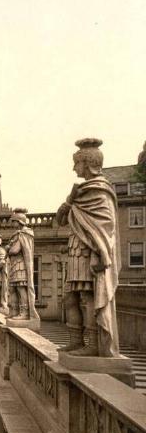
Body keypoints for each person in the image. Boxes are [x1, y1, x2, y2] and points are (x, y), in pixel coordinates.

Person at [56, 138, 120, 357]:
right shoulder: (80, 192)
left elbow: (105, 228)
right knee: (69, 298)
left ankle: (92, 345)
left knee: (88, 297)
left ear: (88, 162)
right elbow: (61, 221)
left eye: (77, 163)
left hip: (89, 251)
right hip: (75, 249)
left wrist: (98, 254)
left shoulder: (100, 191)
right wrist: (67, 204)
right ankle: (76, 341)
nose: (74, 167)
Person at [6, 208, 39, 321]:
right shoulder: (17, 234)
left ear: (19, 221)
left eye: (14, 221)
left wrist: (9, 248)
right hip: (15, 266)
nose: (12, 223)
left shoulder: (24, 234)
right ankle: (14, 311)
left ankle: (24, 313)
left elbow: (15, 250)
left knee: (21, 288)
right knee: (13, 289)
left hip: (21, 266)